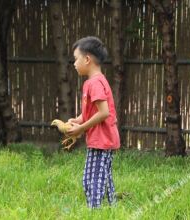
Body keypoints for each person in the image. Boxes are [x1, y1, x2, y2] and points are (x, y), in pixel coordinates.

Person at [66, 36, 120, 208]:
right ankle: (112, 209)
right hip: (100, 140)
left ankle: (94, 212)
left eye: (76, 59)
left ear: (87, 59)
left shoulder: (94, 83)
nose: (74, 64)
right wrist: (77, 120)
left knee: (92, 181)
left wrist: (81, 128)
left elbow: (104, 112)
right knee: (100, 178)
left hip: (102, 141)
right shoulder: (93, 82)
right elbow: (91, 113)